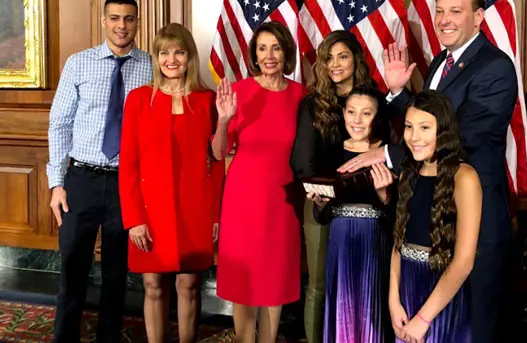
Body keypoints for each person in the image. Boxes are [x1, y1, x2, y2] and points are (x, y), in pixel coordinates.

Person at [340, 0, 518, 342]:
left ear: (479, 16)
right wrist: (397, 92)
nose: (444, 19)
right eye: (439, 11)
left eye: (455, 11)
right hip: (429, 216)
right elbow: (427, 124)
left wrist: (388, 153)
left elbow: (459, 137)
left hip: (473, 220)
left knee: (471, 329)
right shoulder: (442, 61)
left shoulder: (495, 68)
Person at [47, 0, 152, 343]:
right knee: (73, 269)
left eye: (129, 18)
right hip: (81, 180)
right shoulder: (79, 63)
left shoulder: (151, 67)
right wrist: (56, 184)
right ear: (104, 21)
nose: (122, 26)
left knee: (116, 275)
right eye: (115, 18)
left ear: (138, 22)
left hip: (126, 183)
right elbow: (59, 125)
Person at [119, 23, 224, 343]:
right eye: (164, 52)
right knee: (153, 286)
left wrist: (216, 214)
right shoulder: (138, 100)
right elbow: (128, 165)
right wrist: (134, 219)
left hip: (195, 208)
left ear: (190, 57)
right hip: (150, 209)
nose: (171, 59)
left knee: (189, 285)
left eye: (178, 52)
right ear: (156, 57)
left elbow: (217, 162)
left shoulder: (207, 100)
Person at [212, 21, 306, 343]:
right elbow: (218, 151)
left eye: (276, 48)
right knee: (244, 282)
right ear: (254, 54)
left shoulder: (300, 96)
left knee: (274, 282)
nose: (269, 56)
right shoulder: (239, 92)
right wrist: (224, 121)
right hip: (243, 198)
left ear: (286, 53)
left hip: (282, 201)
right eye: (262, 48)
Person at [290, 30, 376, 343]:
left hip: (368, 206)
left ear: (356, 59)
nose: (335, 64)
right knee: (319, 284)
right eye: (328, 58)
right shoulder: (313, 105)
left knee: (363, 285)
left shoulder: (372, 99)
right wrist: (318, 193)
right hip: (322, 203)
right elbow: (302, 160)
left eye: (342, 56)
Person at [390, 90, 481, 343]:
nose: (414, 137)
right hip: (406, 289)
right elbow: (398, 243)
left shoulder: (465, 177)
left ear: (443, 129)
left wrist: (424, 318)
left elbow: (464, 261)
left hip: (441, 294)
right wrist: (393, 300)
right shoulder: (409, 172)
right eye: (408, 127)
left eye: (424, 128)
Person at [309, 86, 395, 343]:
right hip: (340, 241)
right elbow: (320, 215)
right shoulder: (331, 151)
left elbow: (401, 214)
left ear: (377, 117)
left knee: (372, 308)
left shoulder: (387, 153)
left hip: (374, 241)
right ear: (343, 114)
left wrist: (384, 195)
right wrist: (321, 203)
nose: (357, 120)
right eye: (351, 112)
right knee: (342, 306)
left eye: (366, 113)